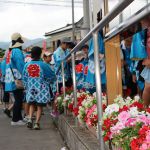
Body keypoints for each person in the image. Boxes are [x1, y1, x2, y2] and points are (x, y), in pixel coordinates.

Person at [23, 47, 56, 130]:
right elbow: (51, 75)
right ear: (40, 54)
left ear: (31, 55)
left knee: (31, 104)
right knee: (39, 106)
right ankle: (37, 123)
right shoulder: (43, 64)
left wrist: (27, 85)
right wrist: (48, 81)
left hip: (31, 88)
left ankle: (30, 119)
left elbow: (24, 77)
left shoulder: (27, 65)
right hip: (41, 88)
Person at [5, 33, 25, 125]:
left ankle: (19, 118)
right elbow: (20, 65)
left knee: (18, 99)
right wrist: (25, 74)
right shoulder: (17, 51)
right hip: (17, 78)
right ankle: (15, 120)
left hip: (12, 79)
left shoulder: (11, 51)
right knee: (18, 100)